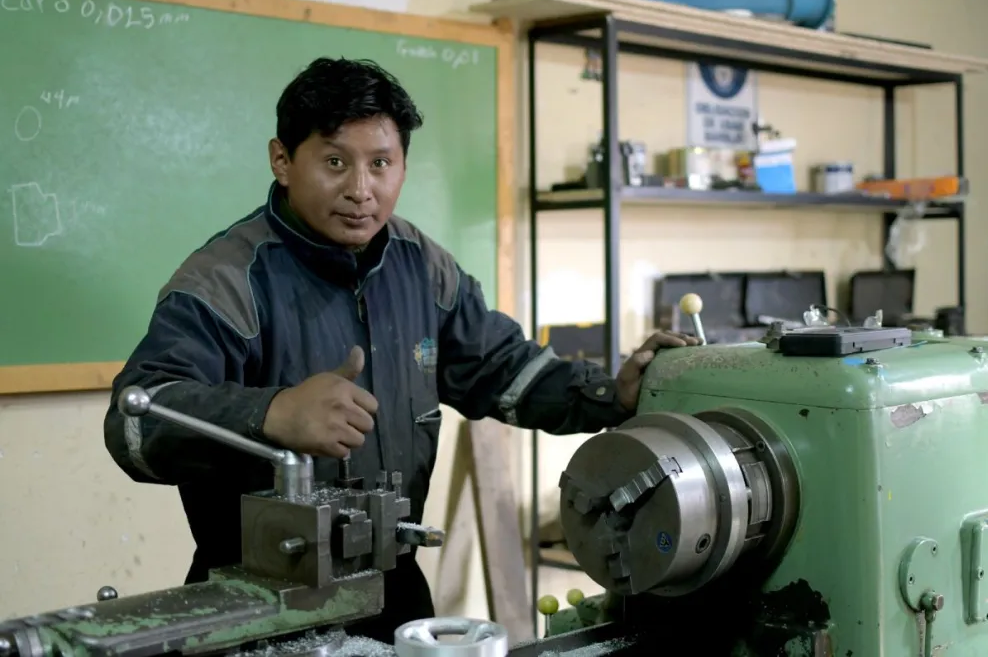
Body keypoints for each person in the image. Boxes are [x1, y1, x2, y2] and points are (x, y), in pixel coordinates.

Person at [103, 57, 700, 643]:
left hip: (394, 595)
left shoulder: (424, 267)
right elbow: (135, 424)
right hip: (256, 604)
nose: (361, 190)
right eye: (335, 162)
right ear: (283, 160)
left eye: (381, 163)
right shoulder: (225, 280)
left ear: (403, 167)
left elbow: (505, 370)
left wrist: (607, 393)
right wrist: (272, 414)